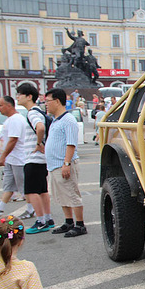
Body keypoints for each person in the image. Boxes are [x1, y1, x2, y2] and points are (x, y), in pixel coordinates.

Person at [44, 88, 87, 237]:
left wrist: (66, 164)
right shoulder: (56, 120)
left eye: (48, 101)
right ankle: (69, 221)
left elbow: (71, 144)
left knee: (71, 193)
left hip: (64, 164)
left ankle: (80, 225)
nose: (46, 104)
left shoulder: (68, 120)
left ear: (57, 101)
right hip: (54, 165)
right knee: (62, 195)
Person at [16, 83, 55, 234]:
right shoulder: (38, 111)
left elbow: (40, 128)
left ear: (28, 96)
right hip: (41, 159)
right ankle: (48, 218)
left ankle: (40, 221)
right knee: (42, 190)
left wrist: (38, 143)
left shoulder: (32, 113)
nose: (17, 97)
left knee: (32, 191)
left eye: (19, 94)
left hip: (33, 158)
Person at [0, 96, 35, 219]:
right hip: (11, 159)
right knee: (8, 184)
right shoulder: (10, 119)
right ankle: (0, 208)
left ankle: (31, 209)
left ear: (9, 106)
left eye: (0, 105)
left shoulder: (16, 119)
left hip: (18, 159)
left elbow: (13, 140)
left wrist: (3, 156)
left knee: (23, 186)